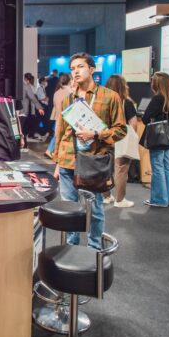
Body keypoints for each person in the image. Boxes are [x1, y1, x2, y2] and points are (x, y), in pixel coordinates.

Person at [52, 53, 126, 249]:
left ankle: (94, 248)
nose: (75, 72)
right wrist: (58, 161)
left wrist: (95, 134)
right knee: (70, 208)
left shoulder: (110, 97)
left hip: (93, 161)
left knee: (95, 208)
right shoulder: (69, 99)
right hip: (68, 160)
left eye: (80, 67)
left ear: (92, 70)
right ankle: (71, 246)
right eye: (72, 68)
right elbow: (61, 132)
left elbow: (121, 130)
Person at [140, 72, 169, 208]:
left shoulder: (158, 99)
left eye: (153, 81)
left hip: (157, 138)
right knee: (166, 166)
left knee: (157, 167)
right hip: (168, 138)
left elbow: (145, 118)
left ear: (157, 84)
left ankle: (159, 199)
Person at [103, 75, 138, 208]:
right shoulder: (126, 102)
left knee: (104, 168)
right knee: (121, 169)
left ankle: (106, 196)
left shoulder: (103, 101)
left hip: (105, 137)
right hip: (121, 138)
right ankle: (120, 200)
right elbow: (133, 123)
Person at [45, 73, 73, 160]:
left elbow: (55, 106)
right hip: (67, 118)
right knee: (61, 136)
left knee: (57, 135)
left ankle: (51, 151)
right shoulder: (70, 92)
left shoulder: (57, 92)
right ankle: (51, 151)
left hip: (58, 117)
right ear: (69, 81)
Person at [22, 72, 45, 143]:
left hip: (20, 109)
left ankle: (22, 141)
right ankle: (24, 142)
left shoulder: (20, 85)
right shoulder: (26, 86)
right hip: (25, 110)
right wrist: (39, 108)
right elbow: (33, 98)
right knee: (25, 127)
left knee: (22, 127)